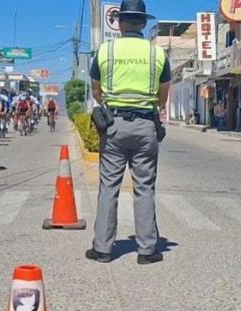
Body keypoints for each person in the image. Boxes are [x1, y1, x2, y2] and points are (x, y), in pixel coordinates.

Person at [86, 0, 170, 265]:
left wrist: (110, 101)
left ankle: (102, 249)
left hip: (113, 125)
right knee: (144, 187)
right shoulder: (157, 54)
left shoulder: (105, 51)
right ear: (144, 24)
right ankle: (146, 251)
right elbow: (163, 96)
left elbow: (96, 90)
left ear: (120, 22)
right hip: (146, 125)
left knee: (109, 185)